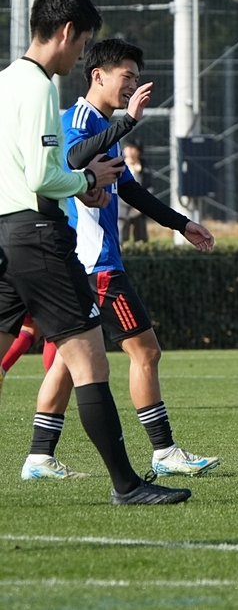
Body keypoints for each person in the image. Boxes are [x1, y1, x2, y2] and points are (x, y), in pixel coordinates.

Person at [0, 0, 190, 504]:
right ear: (65, 33)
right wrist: (85, 183)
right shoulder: (40, 87)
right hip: (40, 237)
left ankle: (46, 457)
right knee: (91, 363)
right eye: (82, 42)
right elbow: (44, 174)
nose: (81, 52)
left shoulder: (4, 82)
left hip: (5, 232)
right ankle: (127, 485)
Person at [22, 37, 219, 481]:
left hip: (89, 266)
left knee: (74, 361)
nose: (132, 85)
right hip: (96, 267)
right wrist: (127, 123)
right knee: (146, 351)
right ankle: (164, 451)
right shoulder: (76, 121)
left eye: (135, 77)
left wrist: (181, 224)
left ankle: (38, 456)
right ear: (98, 76)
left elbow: (130, 190)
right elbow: (71, 158)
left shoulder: (101, 126)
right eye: (126, 76)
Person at [118, 140, 152, 242]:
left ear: (139, 151)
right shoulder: (118, 164)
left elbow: (150, 186)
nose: (129, 151)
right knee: (121, 236)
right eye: (127, 147)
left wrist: (142, 203)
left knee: (141, 236)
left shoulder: (145, 168)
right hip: (121, 207)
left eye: (132, 148)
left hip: (139, 208)